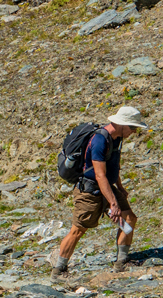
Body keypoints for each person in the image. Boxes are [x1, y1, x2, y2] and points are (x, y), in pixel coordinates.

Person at [51, 106, 146, 275]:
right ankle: (58, 270)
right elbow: (100, 175)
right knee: (78, 230)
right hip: (89, 192)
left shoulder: (116, 138)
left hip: (107, 188)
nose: (134, 131)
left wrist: (120, 188)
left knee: (129, 219)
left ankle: (121, 261)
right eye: (132, 127)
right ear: (121, 124)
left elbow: (112, 167)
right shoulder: (99, 141)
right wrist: (113, 203)